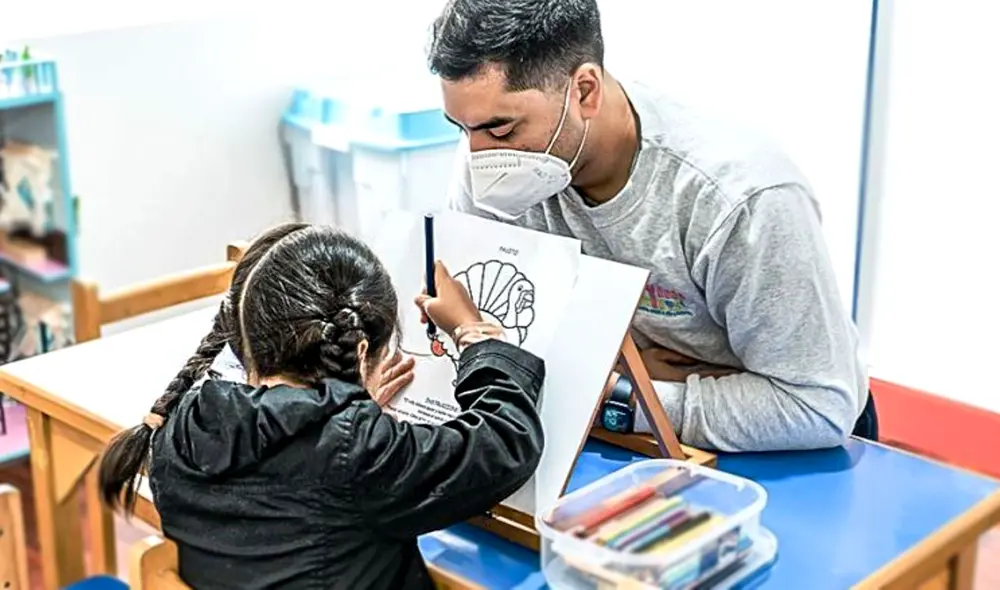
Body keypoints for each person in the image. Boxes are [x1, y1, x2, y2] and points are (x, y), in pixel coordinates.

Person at [427, 0, 875, 452]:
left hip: (780, 444)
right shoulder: (489, 165)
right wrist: (626, 374)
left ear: (584, 91)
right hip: (630, 426)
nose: (478, 157)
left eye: (501, 132)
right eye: (462, 129)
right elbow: (490, 342)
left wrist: (620, 395)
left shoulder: (737, 199)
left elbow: (815, 406)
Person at [98, 223, 545, 590]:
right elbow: (506, 441)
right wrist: (475, 334)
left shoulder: (183, 422)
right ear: (362, 350)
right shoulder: (357, 452)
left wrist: (346, 409)